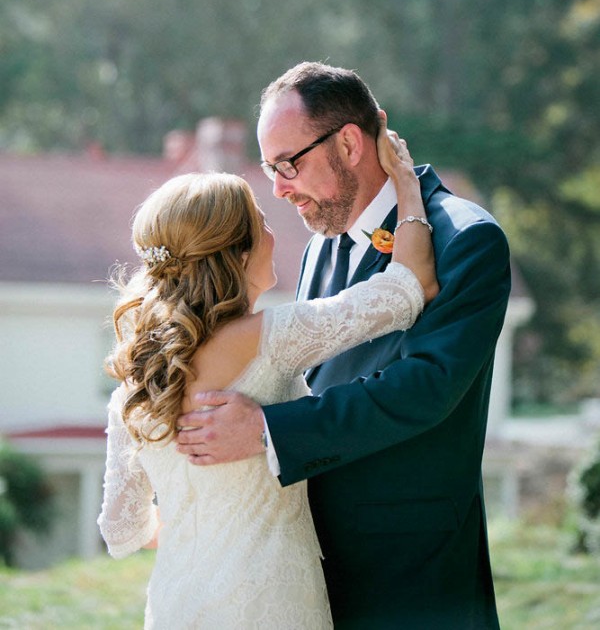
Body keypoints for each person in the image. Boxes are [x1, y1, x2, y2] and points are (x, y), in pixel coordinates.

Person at [176, 62, 512, 629]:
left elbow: (425, 387)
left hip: (413, 583)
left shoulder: (466, 238)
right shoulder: (320, 248)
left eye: (289, 164)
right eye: (269, 168)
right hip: (303, 577)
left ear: (350, 143)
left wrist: (266, 431)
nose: (279, 188)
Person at [97, 121, 438, 630]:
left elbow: (120, 532)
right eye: (260, 222)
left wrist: (205, 525)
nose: (274, 233)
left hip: (177, 607)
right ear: (236, 254)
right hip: (274, 602)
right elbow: (409, 288)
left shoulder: (137, 384)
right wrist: (407, 183)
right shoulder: (272, 337)